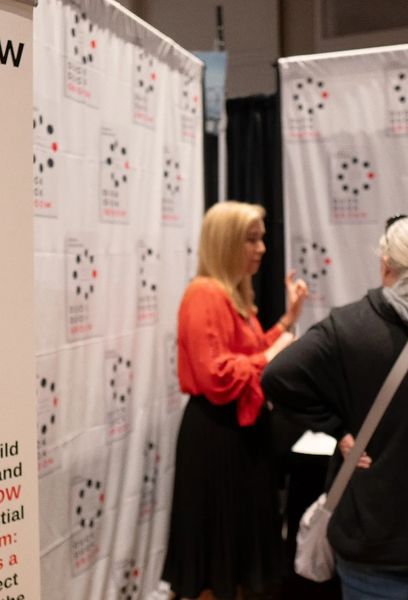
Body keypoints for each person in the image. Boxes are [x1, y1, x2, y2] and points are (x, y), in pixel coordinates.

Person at [161, 201, 308, 600]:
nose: (261, 248)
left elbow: (249, 351)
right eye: (251, 239)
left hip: (240, 434)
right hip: (216, 437)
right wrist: (271, 354)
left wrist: (287, 320)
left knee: (236, 547)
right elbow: (217, 376)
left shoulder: (231, 295)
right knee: (216, 551)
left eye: (261, 239)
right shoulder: (204, 294)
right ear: (226, 242)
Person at [262, 214, 408, 600]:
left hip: (373, 543)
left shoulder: (349, 327)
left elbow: (277, 376)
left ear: (386, 265)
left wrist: (335, 427)